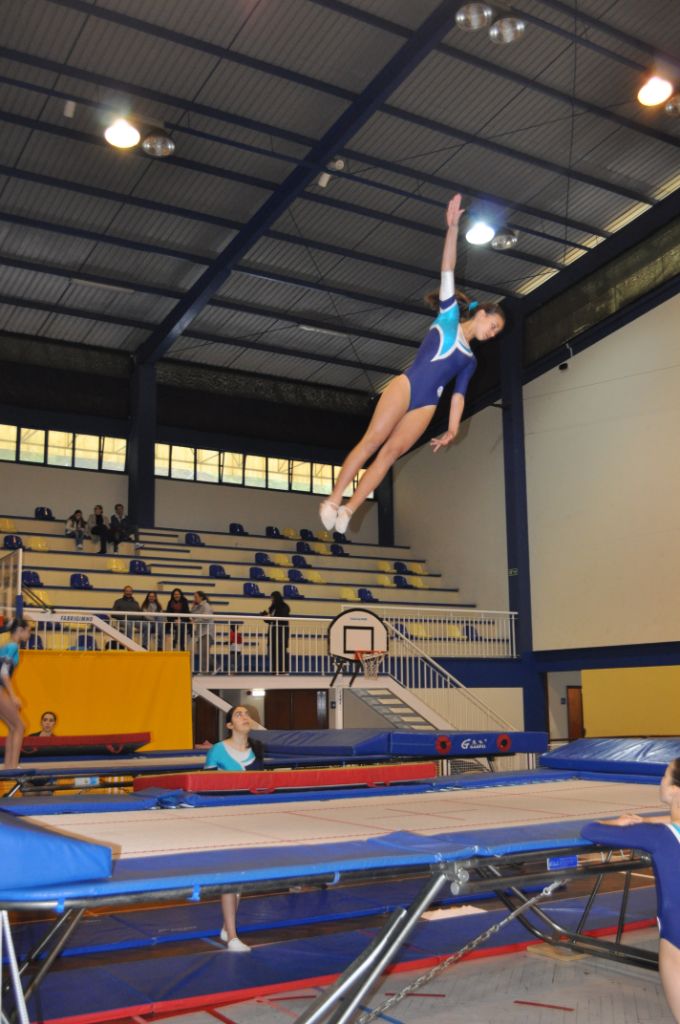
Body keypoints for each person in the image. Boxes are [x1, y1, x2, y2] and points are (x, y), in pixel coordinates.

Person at [319, 194, 505, 535]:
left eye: (496, 332)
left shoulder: (470, 360)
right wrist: (452, 229)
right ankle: (333, 499)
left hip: (427, 402)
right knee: (372, 441)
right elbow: (447, 269)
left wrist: (453, 429)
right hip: (407, 385)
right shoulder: (449, 316)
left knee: (390, 454)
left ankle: (349, 508)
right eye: (492, 326)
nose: (492, 334)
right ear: (481, 314)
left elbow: (459, 396)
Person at [582, 759, 680, 1023]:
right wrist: (649, 819)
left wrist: (619, 822)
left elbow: (590, 830)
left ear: (675, 789)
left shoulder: (657, 835)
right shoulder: (658, 830)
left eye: (665, 776)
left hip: (676, 934)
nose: (661, 781)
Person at [205, 706, 264, 953]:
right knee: (231, 874)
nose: (244, 716)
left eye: (246, 713)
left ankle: (225, 927)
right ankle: (231, 936)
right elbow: (205, 787)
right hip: (224, 819)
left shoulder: (257, 750)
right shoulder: (218, 750)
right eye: (238, 714)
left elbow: (261, 786)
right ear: (229, 725)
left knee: (241, 877)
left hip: (249, 820)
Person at [0, 618, 31, 769]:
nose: (29, 635)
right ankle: (12, 767)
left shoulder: (6, 646)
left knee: (14, 727)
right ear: (20, 630)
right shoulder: (12, 647)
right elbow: (4, 673)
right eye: (28, 631)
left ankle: (8, 767)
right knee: (20, 726)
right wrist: (13, 696)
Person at [263, 590, 290, 673]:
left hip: (281, 633)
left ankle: (283, 670)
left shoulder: (284, 606)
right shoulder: (273, 608)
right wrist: (265, 616)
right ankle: (275, 669)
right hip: (273, 633)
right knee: (273, 652)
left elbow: (282, 618)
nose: (271, 600)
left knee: (281, 652)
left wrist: (271, 617)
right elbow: (271, 621)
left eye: (272, 598)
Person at [192, 591, 215, 673]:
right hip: (200, 633)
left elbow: (206, 618)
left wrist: (195, 621)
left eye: (196, 597)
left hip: (207, 633)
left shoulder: (206, 606)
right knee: (202, 652)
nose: (194, 599)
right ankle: (215, 667)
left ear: (201, 597)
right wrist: (193, 607)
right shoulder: (198, 606)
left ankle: (204, 670)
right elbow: (192, 615)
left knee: (204, 653)